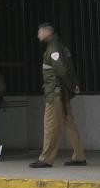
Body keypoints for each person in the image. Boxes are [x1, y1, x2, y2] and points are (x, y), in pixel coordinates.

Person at [30, 23, 87, 168]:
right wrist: (71, 87)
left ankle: (46, 159)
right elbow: (68, 69)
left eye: (39, 32)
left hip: (55, 93)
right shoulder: (60, 45)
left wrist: (72, 87)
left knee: (50, 125)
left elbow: (62, 71)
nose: (38, 35)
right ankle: (79, 157)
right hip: (62, 92)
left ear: (46, 32)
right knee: (69, 124)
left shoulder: (53, 48)